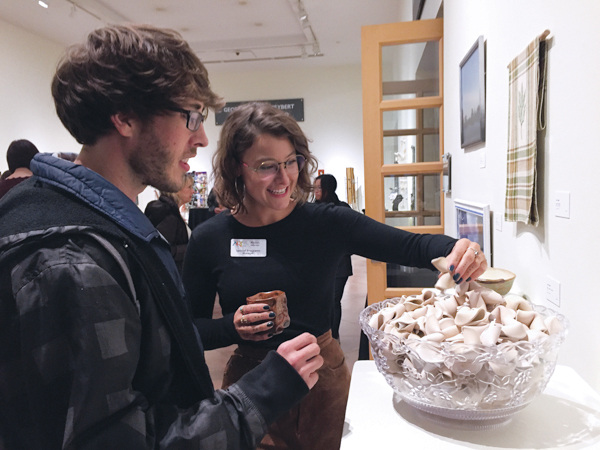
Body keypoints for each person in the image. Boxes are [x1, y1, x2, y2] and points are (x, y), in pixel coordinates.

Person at [0, 25, 323, 450]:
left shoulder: (94, 228)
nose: (202, 138)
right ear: (125, 116)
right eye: (190, 116)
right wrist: (261, 392)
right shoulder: (71, 260)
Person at [183, 102, 488, 450]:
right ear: (238, 168)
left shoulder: (327, 223)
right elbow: (187, 331)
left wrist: (458, 248)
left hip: (322, 379)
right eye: (267, 167)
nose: (284, 178)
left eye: (290, 162)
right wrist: (230, 328)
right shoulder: (210, 238)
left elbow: (412, 246)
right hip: (250, 387)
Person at [313, 174, 353, 341]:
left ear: (328, 188)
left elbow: (352, 236)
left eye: (319, 188)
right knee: (321, 301)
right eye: (314, 188)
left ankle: (333, 336)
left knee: (334, 300)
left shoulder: (342, 209)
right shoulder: (311, 209)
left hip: (339, 265)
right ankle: (322, 334)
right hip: (317, 265)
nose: (315, 192)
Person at [144, 173, 194, 274]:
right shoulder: (168, 214)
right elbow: (161, 250)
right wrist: (190, 248)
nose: (193, 191)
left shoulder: (170, 211)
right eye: (189, 187)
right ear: (177, 190)